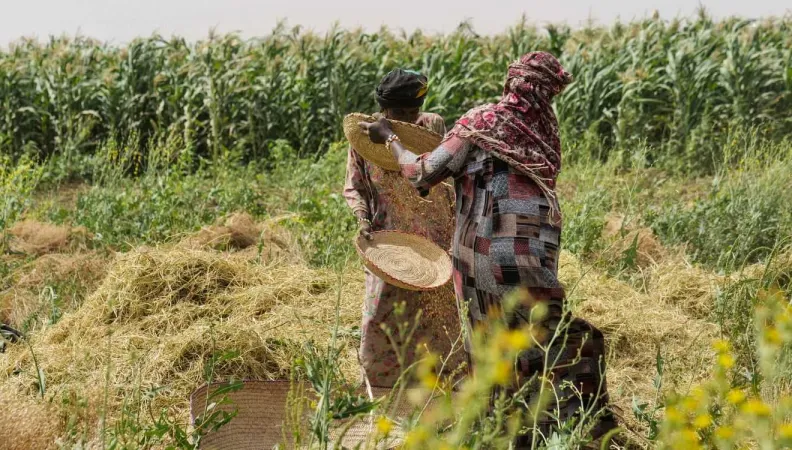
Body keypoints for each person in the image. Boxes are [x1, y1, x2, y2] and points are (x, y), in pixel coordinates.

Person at [359, 52, 617, 442]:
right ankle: (556, 426)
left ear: (512, 82)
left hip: (483, 250)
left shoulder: (482, 121)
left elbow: (423, 172)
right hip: (536, 250)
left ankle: (502, 428)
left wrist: (391, 139)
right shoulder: (545, 132)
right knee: (542, 333)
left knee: (488, 340)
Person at [343, 69, 464, 388]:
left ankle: (443, 389)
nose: (409, 118)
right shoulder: (363, 136)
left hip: (434, 240)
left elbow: (443, 177)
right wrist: (362, 218)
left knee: (438, 318)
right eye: (400, 113)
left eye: (414, 111)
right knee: (380, 319)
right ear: (383, 110)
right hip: (389, 243)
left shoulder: (432, 126)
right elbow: (355, 186)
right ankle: (384, 392)